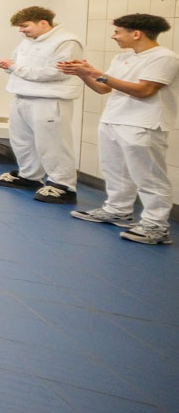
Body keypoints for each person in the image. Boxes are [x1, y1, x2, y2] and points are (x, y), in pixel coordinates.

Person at [61, 13, 177, 244]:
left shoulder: (164, 58)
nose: (114, 37)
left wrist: (98, 74)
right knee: (114, 171)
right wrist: (84, 74)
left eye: (118, 32)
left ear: (136, 34)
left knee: (149, 178)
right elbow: (103, 88)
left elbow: (144, 91)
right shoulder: (123, 57)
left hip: (143, 124)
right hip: (113, 120)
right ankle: (117, 211)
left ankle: (156, 226)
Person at [0, 6, 83, 203]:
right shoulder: (28, 41)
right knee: (22, 141)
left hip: (49, 100)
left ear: (42, 23)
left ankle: (63, 185)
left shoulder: (67, 42)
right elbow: (15, 63)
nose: (21, 30)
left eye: (25, 26)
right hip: (22, 96)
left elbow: (57, 72)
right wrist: (9, 66)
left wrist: (15, 67)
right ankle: (29, 176)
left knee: (53, 144)